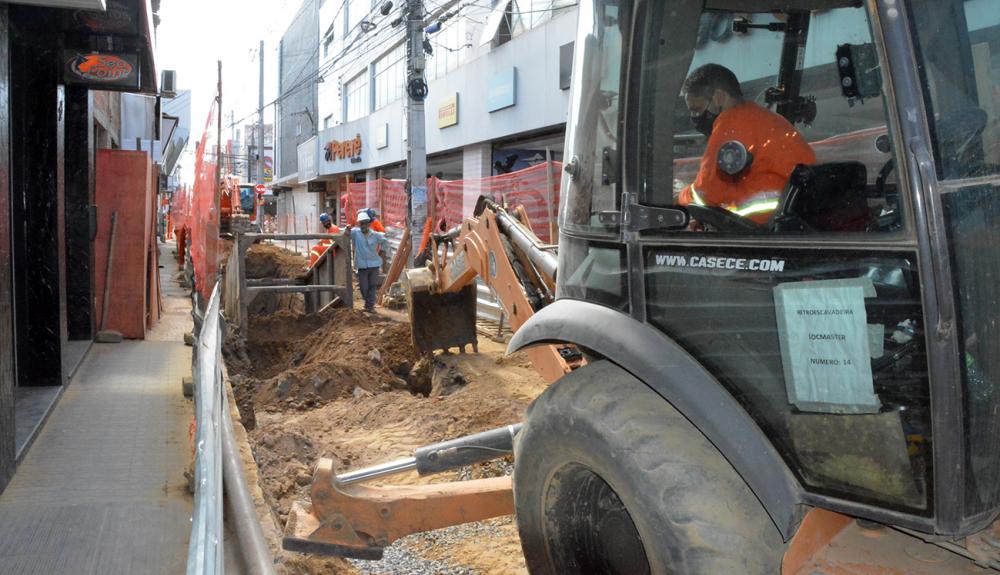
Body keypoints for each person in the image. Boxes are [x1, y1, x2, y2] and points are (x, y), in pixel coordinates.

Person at [677, 63, 816, 224]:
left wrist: (678, 197)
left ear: (718, 97)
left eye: (696, 109)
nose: (695, 118)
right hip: (793, 219)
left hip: (763, 229)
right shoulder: (766, 118)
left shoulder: (731, 123)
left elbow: (706, 195)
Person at [349, 211, 388, 313]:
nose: (363, 225)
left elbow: (385, 241)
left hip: (374, 264)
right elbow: (344, 232)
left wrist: (382, 252)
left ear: (368, 224)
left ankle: (369, 306)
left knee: (372, 285)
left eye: (364, 223)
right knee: (363, 287)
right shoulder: (355, 233)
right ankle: (368, 302)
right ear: (359, 224)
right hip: (362, 265)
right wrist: (346, 228)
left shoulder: (375, 235)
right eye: (361, 223)